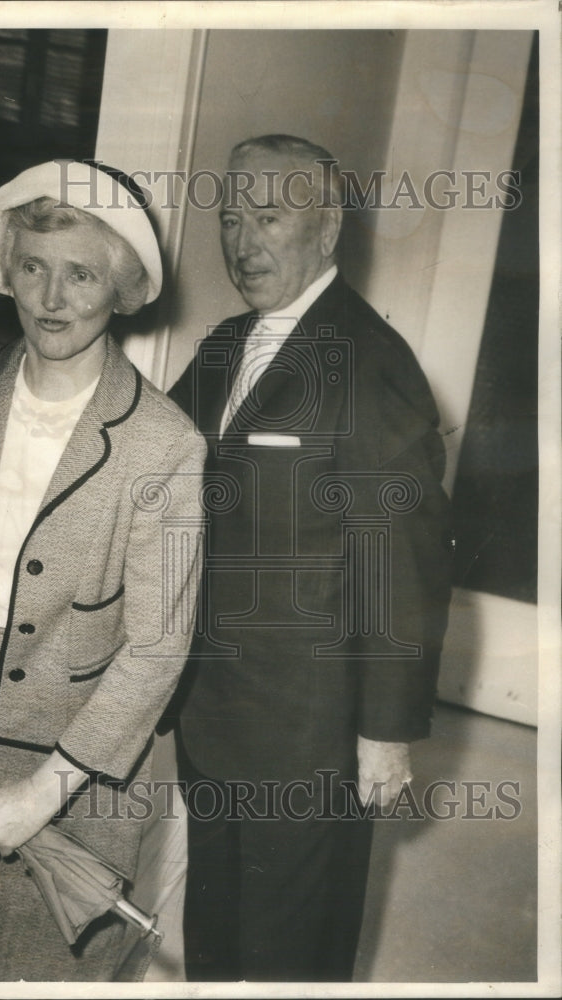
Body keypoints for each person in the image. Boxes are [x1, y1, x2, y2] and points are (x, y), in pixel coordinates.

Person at [0, 160, 206, 982]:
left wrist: (43, 793)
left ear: (122, 288)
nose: (52, 300)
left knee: (47, 961)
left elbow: (157, 650)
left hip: (82, 743)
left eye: (81, 274)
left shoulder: (164, 445)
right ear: (8, 273)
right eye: (32, 267)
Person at [168, 134, 454, 982]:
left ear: (326, 230)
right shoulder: (227, 343)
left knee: (290, 952)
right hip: (215, 713)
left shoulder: (371, 362)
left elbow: (402, 557)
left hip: (311, 730)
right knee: (215, 929)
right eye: (229, 218)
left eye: (268, 216)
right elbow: (148, 460)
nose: (243, 240)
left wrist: (384, 732)